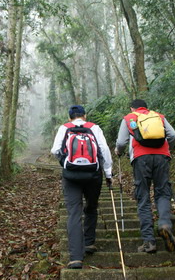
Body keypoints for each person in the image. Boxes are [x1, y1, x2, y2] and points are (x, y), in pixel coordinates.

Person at [51, 105, 113, 269]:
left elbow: (55, 150)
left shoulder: (64, 128)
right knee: (91, 207)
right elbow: (104, 150)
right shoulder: (94, 128)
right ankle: (89, 243)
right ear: (85, 115)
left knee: (74, 213)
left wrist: (66, 162)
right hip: (93, 174)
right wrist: (108, 173)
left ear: (70, 116)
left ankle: (76, 258)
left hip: (71, 175)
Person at [115, 99, 175, 253]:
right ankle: (164, 224)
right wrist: (166, 148)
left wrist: (119, 151)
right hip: (162, 157)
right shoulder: (158, 116)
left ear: (132, 108)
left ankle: (149, 241)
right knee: (163, 192)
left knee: (143, 196)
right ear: (146, 107)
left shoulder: (129, 118)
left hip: (141, 158)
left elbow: (122, 142)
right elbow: (174, 135)